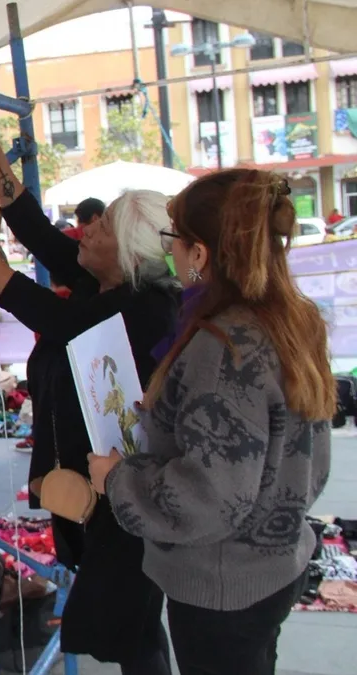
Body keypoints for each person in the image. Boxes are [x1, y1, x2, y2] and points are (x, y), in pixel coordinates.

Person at [0, 126, 179, 674]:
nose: (86, 230)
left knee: (131, 629)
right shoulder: (116, 283)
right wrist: (2, 175)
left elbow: (55, 317)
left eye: (101, 227)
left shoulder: (141, 308)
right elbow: (48, 241)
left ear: (129, 254)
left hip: (124, 489)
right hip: (102, 483)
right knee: (132, 625)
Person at [88, 170, 333, 675]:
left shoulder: (224, 347)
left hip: (224, 584)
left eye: (174, 238)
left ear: (199, 254)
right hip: (274, 561)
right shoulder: (291, 317)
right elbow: (308, 458)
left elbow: (204, 498)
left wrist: (116, 480)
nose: (170, 251)